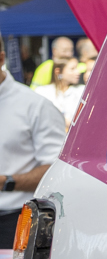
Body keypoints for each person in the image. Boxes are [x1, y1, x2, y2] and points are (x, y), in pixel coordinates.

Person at [0, 58, 65, 215]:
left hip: (17, 216)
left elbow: (57, 170)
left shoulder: (37, 106)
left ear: (1, 58)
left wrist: (7, 182)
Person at [33, 58, 84, 128]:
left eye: (77, 68)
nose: (78, 72)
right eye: (72, 69)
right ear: (58, 71)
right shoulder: (42, 92)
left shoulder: (82, 91)